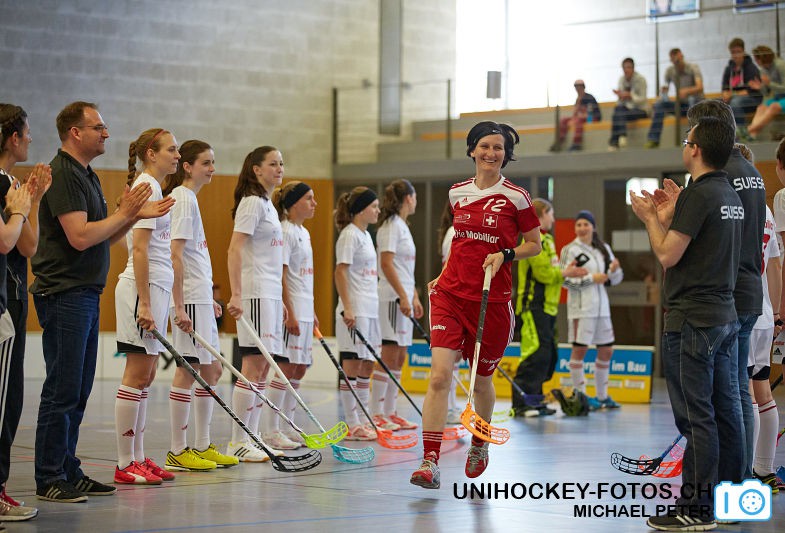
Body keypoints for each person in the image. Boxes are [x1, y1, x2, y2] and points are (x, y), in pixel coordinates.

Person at [31, 102, 172, 502]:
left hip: (86, 292)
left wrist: (131, 216)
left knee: (78, 389)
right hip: (64, 293)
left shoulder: (87, 175)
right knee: (62, 390)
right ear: (75, 132)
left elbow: (102, 238)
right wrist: (126, 212)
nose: (106, 133)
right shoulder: (63, 174)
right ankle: (49, 475)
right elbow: (79, 237)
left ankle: (68, 469)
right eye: (98, 127)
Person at [410, 121, 541, 489]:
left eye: (498, 148)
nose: (491, 153)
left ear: (506, 154)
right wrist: (443, 274)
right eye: (484, 146)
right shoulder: (457, 193)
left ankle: (479, 443)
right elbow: (462, 244)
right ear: (472, 150)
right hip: (450, 296)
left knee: (481, 383)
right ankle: (429, 461)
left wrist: (506, 254)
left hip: (491, 302)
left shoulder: (517, 197)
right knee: (439, 376)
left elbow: (534, 244)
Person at [630, 115, 742, 531]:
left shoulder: (700, 193)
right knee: (723, 412)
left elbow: (667, 255)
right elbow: (697, 248)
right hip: (724, 314)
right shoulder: (727, 193)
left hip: (693, 319)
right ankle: (729, 503)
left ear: (695, 149)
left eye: (686, 140)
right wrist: (672, 215)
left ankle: (695, 509)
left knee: (696, 418)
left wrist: (649, 218)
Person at [686, 100, 765, 484]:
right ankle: (741, 478)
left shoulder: (716, 176)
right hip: (750, 290)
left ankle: (730, 481)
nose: (689, 140)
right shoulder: (752, 171)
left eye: (691, 133)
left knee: (724, 395)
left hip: (725, 295)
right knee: (738, 391)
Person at [163, 140, 238, 472]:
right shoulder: (182, 197)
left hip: (199, 297)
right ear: (187, 166)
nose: (212, 168)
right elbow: (175, 255)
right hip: (188, 298)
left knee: (212, 370)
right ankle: (178, 450)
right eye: (206, 163)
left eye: (213, 162)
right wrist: (180, 306)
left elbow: (193, 256)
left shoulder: (190, 199)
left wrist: (208, 298)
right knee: (188, 369)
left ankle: (202, 445)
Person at [114, 128, 180, 485]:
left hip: (155, 289)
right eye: (172, 149)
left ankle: (138, 457)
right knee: (136, 374)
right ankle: (125, 462)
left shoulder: (155, 187)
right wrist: (145, 303)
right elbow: (138, 249)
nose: (178, 156)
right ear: (151, 154)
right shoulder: (147, 186)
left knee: (148, 375)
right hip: (143, 291)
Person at [0, 105, 51, 520]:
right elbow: (7, 241)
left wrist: (29, 202)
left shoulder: (13, 184)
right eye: (27, 132)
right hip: (6, 300)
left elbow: (29, 246)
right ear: (13, 137)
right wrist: (19, 210)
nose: (31, 139)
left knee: (11, 397)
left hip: (13, 296)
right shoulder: (3, 184)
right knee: (6, 401)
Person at [225, 146, 288, 459]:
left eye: (281, 163)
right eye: (273, 164)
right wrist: (236, 293)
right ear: (256, 170)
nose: (279, 168)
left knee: (263, 368)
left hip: (270, 293)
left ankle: (252, 437)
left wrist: (280, 299)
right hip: (255, 292)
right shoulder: (251, 202)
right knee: (252, 365)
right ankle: (238, 441)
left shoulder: (267, 205)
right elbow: (234, 249)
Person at [513, 199, 587, 417]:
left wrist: (566, 270)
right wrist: (566, 273)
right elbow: (543, 274)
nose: (553, 219)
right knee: (534, 354)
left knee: (547, 356)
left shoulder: (548, 240)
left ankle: (535, 401)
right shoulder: (532, 241)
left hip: (548, 308)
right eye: (551, 214)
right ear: (542, 214)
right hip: (532, 307)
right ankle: (521, 404)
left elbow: (552, 271)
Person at [370, 179, 423, 432]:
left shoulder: (403, 226)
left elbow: (405, 268)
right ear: (408, 198)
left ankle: (391, 412)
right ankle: (377, 413)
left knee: (400, 355)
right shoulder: (390, 226)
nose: (416, 201)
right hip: (391, 297)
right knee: (389, 353)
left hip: (403, 297)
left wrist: (413, 296)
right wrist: (402, 295)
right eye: (415, 196)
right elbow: (387, 264)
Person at [559, 211, 623, 411]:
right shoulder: (569, 250)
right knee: (580, 350)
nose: (582, 228)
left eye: (586, 224)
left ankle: (602, 396)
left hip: (602, 309)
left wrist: (615, 271)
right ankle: (582, 397)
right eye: (578, 224)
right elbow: (564, 281)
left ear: (593, 227)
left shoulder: (603, 248)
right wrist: (590, 279)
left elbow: (613, 279)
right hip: (581, 310)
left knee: (607, 350)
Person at [271, 180, 318, 446]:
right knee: (286, 366)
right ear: (293, 204)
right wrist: (289, 310)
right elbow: (282, 274)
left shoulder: (304, 232)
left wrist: (312, 311)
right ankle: (271, 429)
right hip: (293, 307)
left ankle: (288, 425)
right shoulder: (285, 231)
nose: (314, 203)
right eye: (309, 198)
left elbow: (304, 277)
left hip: (305, 307)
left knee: (299, 368)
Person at [334, 186, 381, 441]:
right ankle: (352, 423)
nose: (378, 211)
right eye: (374, 206)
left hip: (370, 308)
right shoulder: (349, 235)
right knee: (353, 363)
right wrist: (348, 306)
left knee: (367, 363)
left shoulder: (365, 236)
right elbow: (340, 272)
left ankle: (363, 418)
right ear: (361, 209)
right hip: (355, 309)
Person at [645, 48, 704, 148]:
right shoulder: (670, 71)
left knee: (692, 100)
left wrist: (686, 91)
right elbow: (665, 87)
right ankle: (653, 139)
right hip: (681, 105)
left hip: (696, 104)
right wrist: (664, 93)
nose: (677, 61)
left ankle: (692, 140)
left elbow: (700, 87)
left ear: (682, 56)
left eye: (678, 58)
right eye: (674, 59)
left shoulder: (693, 68)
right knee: (660, 105)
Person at [437, 201, 461, 425]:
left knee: (456, 358)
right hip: (453, 300)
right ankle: (448, 408)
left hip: (456, 299)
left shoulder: (454, 231)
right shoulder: (454, 233)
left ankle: (452, 406)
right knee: (450, 358)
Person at [721, 38, 762, 136]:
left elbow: (750, 90)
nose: (736, 55)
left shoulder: (751, 68)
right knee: (716, 104)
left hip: (752, 99)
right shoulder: (729, 69)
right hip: (734, 98)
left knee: (735, 102)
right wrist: (725, 94)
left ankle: (741, 133)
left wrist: (732, 94)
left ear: (743, 51)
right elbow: (724, 87)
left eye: (738, 52)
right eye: (733, 52)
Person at [745, 45, 785, 141]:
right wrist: (761, 87)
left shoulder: (780, 65)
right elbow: (767, 93)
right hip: (777, 97)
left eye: (756, 59)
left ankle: (748, 130)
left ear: (762, 58)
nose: (756, 62)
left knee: (773, 107)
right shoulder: (763, 70)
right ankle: (751, 136)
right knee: (761, 108)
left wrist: (769, 84)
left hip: (781, 97)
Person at [549, 80, 601, 153]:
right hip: (580, 118)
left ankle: (577, 144)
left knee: (578, 121)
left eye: (579, 86)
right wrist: (577, 106)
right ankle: (559, 142)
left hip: (592, 118)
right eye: (576, 87)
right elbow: (575, 114)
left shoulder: (589, 97)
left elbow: (590, 114)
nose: (577, 88)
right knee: (564, 120)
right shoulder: (578, 99)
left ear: (583, 87)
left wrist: (580, 117)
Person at [608, 58, 648, 150]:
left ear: (633, 68)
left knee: (617, 115)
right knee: (617, 110)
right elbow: (620, 103)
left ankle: (614, 142)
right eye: (624, 68)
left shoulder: (641, 79)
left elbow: (643, 99)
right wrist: (621, 96)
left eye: (629, 67)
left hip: (641, 110)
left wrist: (630, 96)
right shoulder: (621, 80)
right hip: (626, 110)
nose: (626, 70)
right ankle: (621, 136)